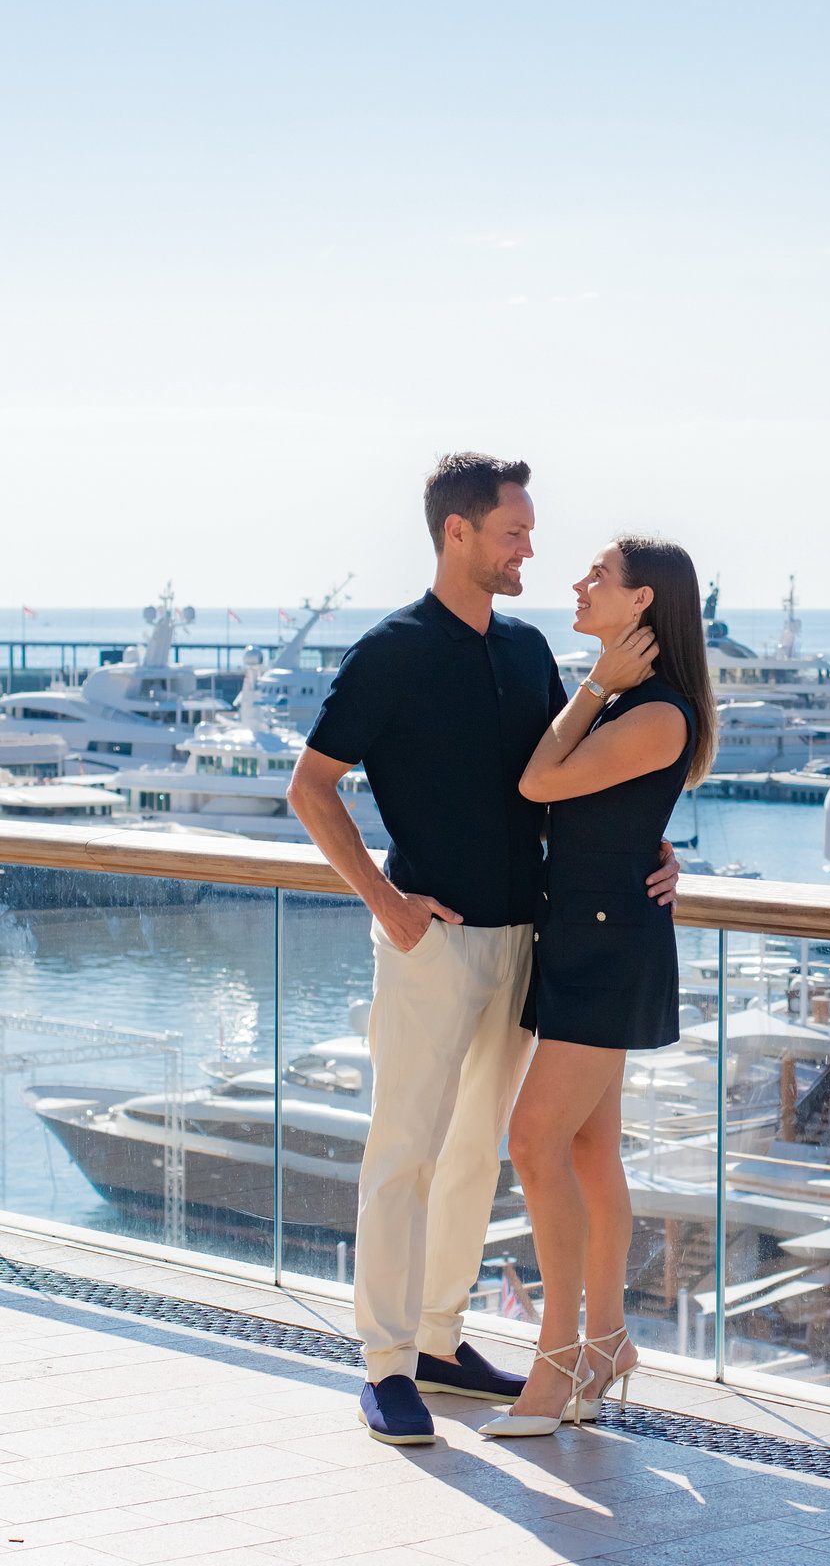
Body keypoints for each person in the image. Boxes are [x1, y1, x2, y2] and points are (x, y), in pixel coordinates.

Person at [287, 456, 680, 1446]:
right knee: (404, 1152)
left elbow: (566, 776)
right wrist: (386, 901)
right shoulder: (389, 651)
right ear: (458, 533)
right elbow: (312, 786)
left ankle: (437, 1338)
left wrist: (653, 845)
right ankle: (383, 1362)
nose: (530, 550)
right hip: (430, 938)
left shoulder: (526, 648)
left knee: (476, 1156)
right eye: (514, 532)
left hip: (528, 942)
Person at [479, 534, 716, 1438]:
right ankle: (609, 1340)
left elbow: (541, 780)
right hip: (582, 937)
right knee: (584, 1154)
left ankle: (556, 1361)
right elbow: (598, 818)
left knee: (533, 1143)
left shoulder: (652, 711)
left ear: (643, 604)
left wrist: (592, 685)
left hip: (609, 949)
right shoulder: (637, 706)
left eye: (597, 576)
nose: (576, 584)